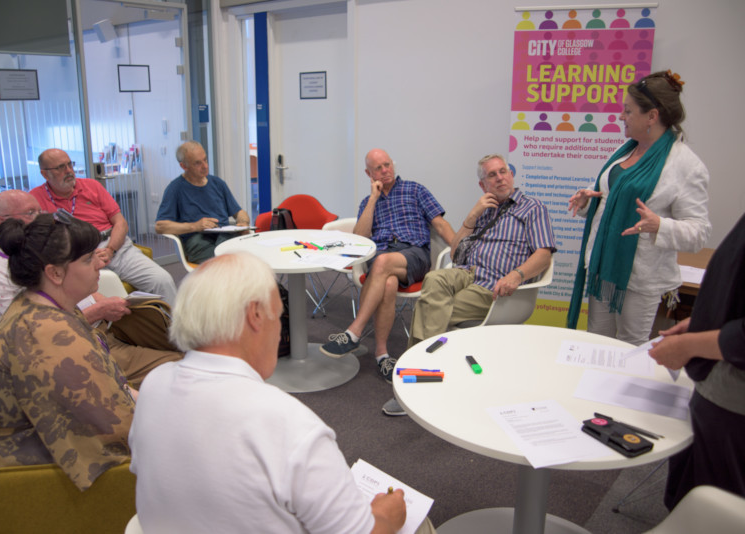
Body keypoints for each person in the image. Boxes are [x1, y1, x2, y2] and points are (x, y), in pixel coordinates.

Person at [129, 252, 435, 533]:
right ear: (256, 316)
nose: (280, 331)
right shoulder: (285, 422)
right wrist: (387, 515)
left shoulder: (153, 386)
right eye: (279, 316)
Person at [0, 210, 135, 491]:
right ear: (54, 273)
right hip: (30, 479)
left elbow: (114, 396)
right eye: (87, 259)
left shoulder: (40, 305)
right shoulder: (46, 335)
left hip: (30, 449)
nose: (99, 264)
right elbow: (114, 428)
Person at [0, 190, 182, 388]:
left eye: (40, 211)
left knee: (187, 350)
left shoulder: (37, 260)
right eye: (31, 212)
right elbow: (28, 342)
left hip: (97, 334)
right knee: (185, 366)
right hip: (76, 346)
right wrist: (98, 311)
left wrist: (102, 305)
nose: (42, 218)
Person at [567, 71, 711, 345]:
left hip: (640, 279)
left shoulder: (686, 166)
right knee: (597, 343)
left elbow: (699, 232)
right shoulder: (627, 150)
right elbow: (611, 200)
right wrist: (590, 202)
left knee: (628, 349)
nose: (621, 116)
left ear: (652, 116)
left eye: (628, 111)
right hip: (603, 269)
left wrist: (660, 225)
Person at [319, 149, 455, 382]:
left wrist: (461, 251)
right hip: (383, 256)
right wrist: (373, 199)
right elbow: (360, 238)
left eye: (387, 165)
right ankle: (382, 355)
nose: (385, 171)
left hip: (414, 254)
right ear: (369, 173)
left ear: (393, 164)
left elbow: (440, 225)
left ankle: (353, 333)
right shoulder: (367, 201)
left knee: (382, 263)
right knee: (388, 283)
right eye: (378, 168)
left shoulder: (415, 190)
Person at [648, 212, 745, 510]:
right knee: (688, 498)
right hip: (715, 383)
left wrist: (690, 345)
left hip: (733, 399)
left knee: (714, 510)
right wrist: (701, 322)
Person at [407, 153, 556, 347]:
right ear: (483, 185)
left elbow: (544, 255)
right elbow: (456, 255)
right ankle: (424, 362)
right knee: (433, 279)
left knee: (428, 307)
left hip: (493, 285)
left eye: (503, 171)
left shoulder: (532, 208)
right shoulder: (484, 209)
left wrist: (517, 275)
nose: (500, 177)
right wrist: (472, 216)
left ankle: (421, 363)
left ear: (511, 174)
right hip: (467, 274)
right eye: (492, 175)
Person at [30, 148, 177, 305]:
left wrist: (110, 250)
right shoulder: (35, 199)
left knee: (162, 281)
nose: (68, 171)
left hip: (114, 247)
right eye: (60, 167)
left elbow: (120, 222)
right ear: (45, 174)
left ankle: (173, 328)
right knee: (93, 300)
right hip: (75, 257)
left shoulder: (92, 186)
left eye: (69, 164)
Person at [155, 141, 251, 263]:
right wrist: (194, 226)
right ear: (184, 166)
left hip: (225, 235)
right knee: (226, 264)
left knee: (250, 258)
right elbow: (160, 226)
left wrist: (243, 222)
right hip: (198, 239)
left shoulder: (218, 184)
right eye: (198, 163)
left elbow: (239, 212)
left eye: (205, 160)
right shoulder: (175, 189)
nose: (205, 166)